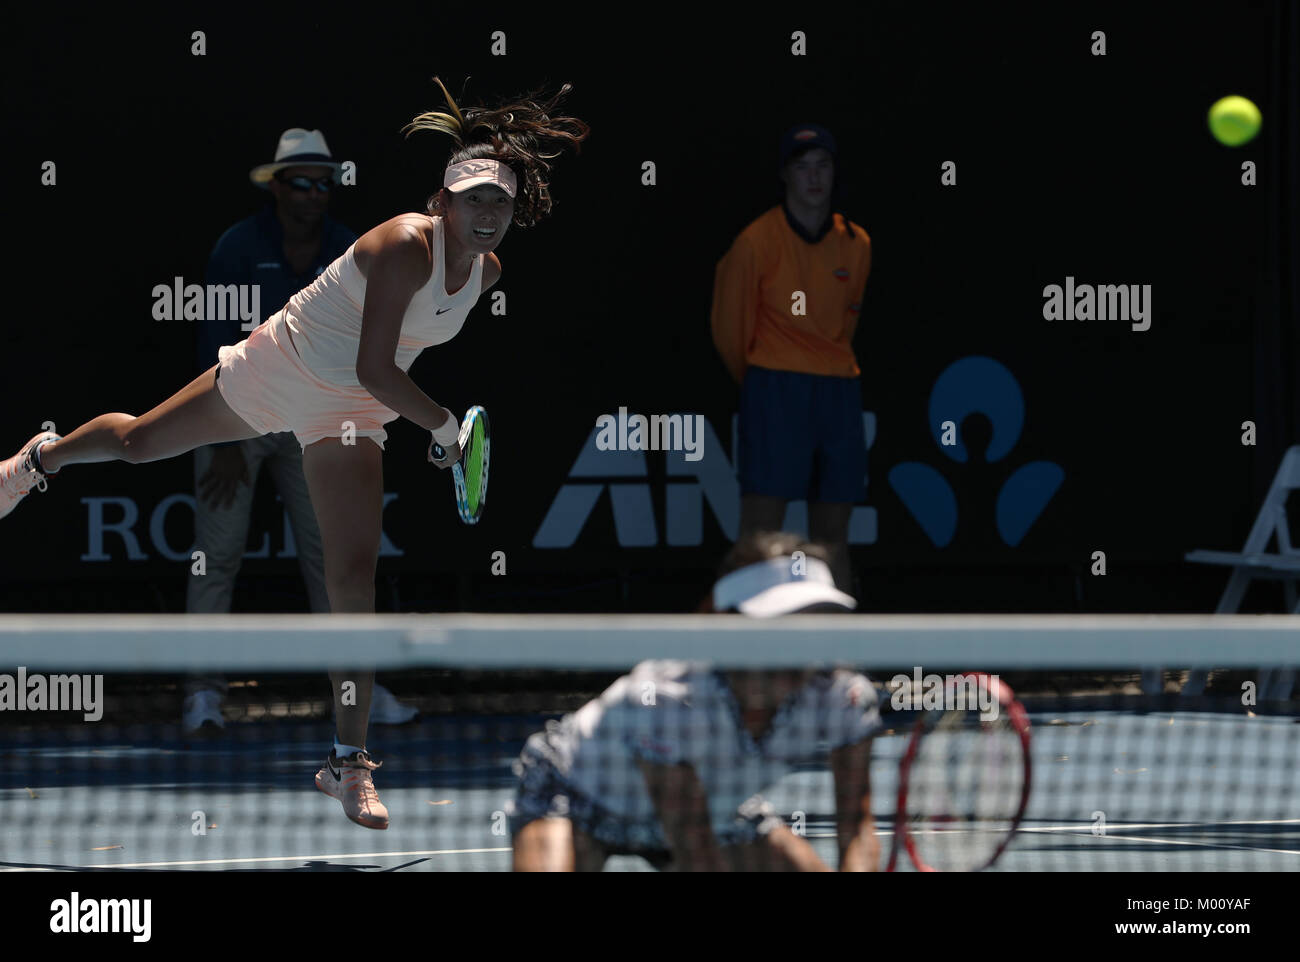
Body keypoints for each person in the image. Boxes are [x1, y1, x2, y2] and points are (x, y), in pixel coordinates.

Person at [0, 77, 589, 831]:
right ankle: (38, 462)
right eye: (471, 198)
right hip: (280, 368)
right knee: (142, 442)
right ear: (440, 201)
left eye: (499, 203)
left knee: (353, 580)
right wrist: (444, 430)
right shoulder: (403, 244)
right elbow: (381, 365)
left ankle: (349, 764)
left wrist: (434, 428)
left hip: (349, 411)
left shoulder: (488, 274)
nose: (486, 214)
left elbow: (383, 372)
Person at [184, 127, 415, 734]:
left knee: (335, 559)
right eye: (303, 182)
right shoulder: (236, 248)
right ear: (279, 187)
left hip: (315, 421)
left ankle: (357, 696)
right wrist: (227, 442)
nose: (316, 193)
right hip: (240, 415)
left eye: (325, 183)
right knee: (217, 555)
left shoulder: (350, 248)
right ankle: (203, 693)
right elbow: (213, 347)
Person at [509, 532, 882, 871]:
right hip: (579, 793)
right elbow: (696, 853)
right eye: (780, 624)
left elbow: (857, 827)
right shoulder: (668, 697)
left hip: (714, 806)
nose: (799, 647)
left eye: (812, 623)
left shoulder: (842, 697)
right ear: (727, 624)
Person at [710, 124, 872, 595]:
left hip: (838, 390)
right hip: (775, 389)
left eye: (823, 166)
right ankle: (736, 647)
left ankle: (835, 657)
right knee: (759, 534)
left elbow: (848, 319)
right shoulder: (755, 242)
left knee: (834, 536)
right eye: (803, 167)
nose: (814, 177)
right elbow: (729, 330)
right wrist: (765, 375)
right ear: (786, 176)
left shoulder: (857, 243)